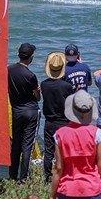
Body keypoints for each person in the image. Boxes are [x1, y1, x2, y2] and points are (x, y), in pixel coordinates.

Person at [7, 42, 41, 183]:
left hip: (17, 110)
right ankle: (23, 177)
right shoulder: (31, 75)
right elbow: (37, 98)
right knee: (27, 145)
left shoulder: (9, 70)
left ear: (19, 55)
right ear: (31, 58)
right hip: (30, 111)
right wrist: (38, 91)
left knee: (16, 144)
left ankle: (12, 174)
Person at [41, 52, 72, 184]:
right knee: (64, 151)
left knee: (49, 150)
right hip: (63, 122)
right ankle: (64, 173)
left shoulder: (44, 84)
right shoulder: (67, 86)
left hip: (49, 121)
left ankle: (47, 176)